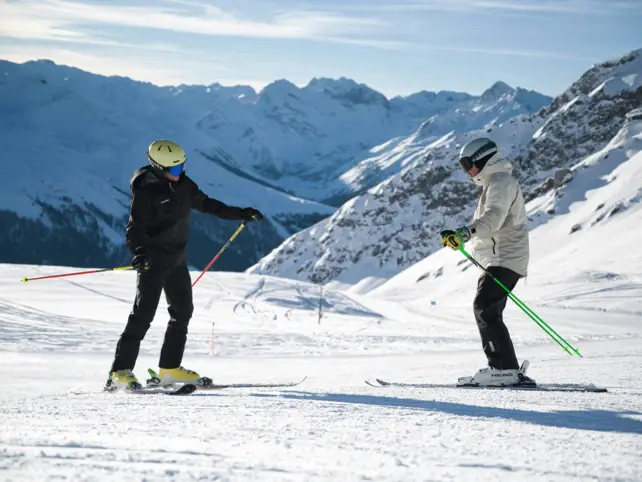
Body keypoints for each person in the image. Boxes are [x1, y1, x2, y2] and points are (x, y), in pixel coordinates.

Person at [106, 139, 264, 389]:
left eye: (182, 167)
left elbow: (208, 204)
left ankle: (169, 369)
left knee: (182, 312)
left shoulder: (184, 185)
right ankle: (120, 372)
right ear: (158, 168)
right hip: (154, 262)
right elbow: (134, 229)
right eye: (175, 169)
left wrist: (241, 213)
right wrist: (140, 253)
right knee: (142, 315)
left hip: (177, 260)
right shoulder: (146, 192)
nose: (180, 173)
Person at [440, 137, 535, 387]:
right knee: (487, 308)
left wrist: (463, 234)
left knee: (485, 306)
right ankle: (505, 368)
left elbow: (493, 219)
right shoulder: (495, 182)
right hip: (502, 257)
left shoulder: (501, 182)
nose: (467, 170)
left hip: (506, 257)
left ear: (483, 159)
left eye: (468, 163)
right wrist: (464, 238)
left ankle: (503, 368)